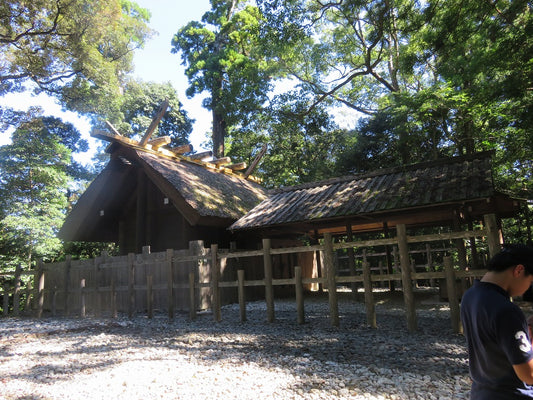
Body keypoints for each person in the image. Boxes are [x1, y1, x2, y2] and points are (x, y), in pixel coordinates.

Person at [461, 244, 533, 399]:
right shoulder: (508, 310)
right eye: (530, 281)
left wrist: (524, 331)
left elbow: (493, 338)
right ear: (519, 270)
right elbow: (529, 374)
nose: (528, 288)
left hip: (481, 391)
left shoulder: (470, 296)